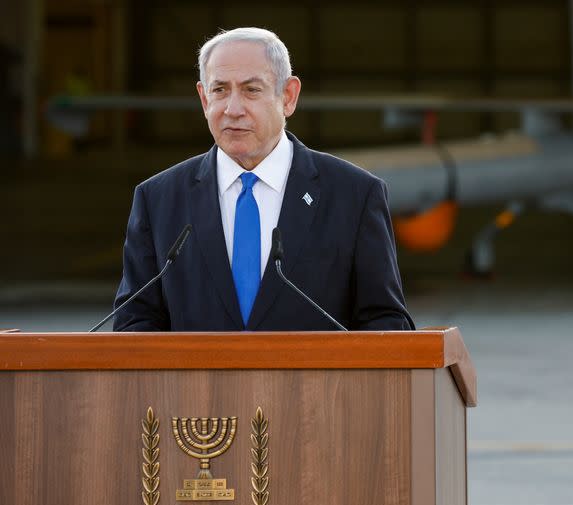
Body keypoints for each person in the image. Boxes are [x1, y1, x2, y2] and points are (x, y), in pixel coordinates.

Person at [113, 27, 413, 331]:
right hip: (196, 381)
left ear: (288, 96)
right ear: (204, 100)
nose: (232, 109)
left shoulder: (356, 195)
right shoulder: (158, 199)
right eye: (219, 90)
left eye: (251, 90)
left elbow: (385, 323)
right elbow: (134, 323)